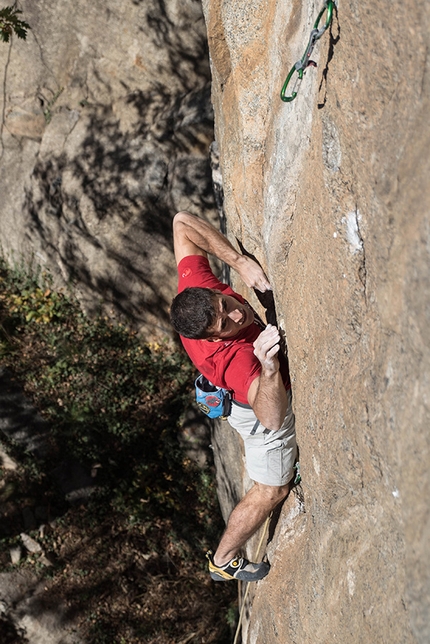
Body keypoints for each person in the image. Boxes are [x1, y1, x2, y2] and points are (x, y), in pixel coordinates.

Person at [170, 211, 297, 582]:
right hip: (253, 407)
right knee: (272, 488)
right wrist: (269, 369)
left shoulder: (195, 290)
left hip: (243, 395)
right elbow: (270, 417)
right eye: (224, 325)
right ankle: (224, 560)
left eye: (224, 305)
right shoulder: (234, 360)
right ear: (211, 338)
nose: (236, 315)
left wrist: (238, 262)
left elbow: (181, 222)